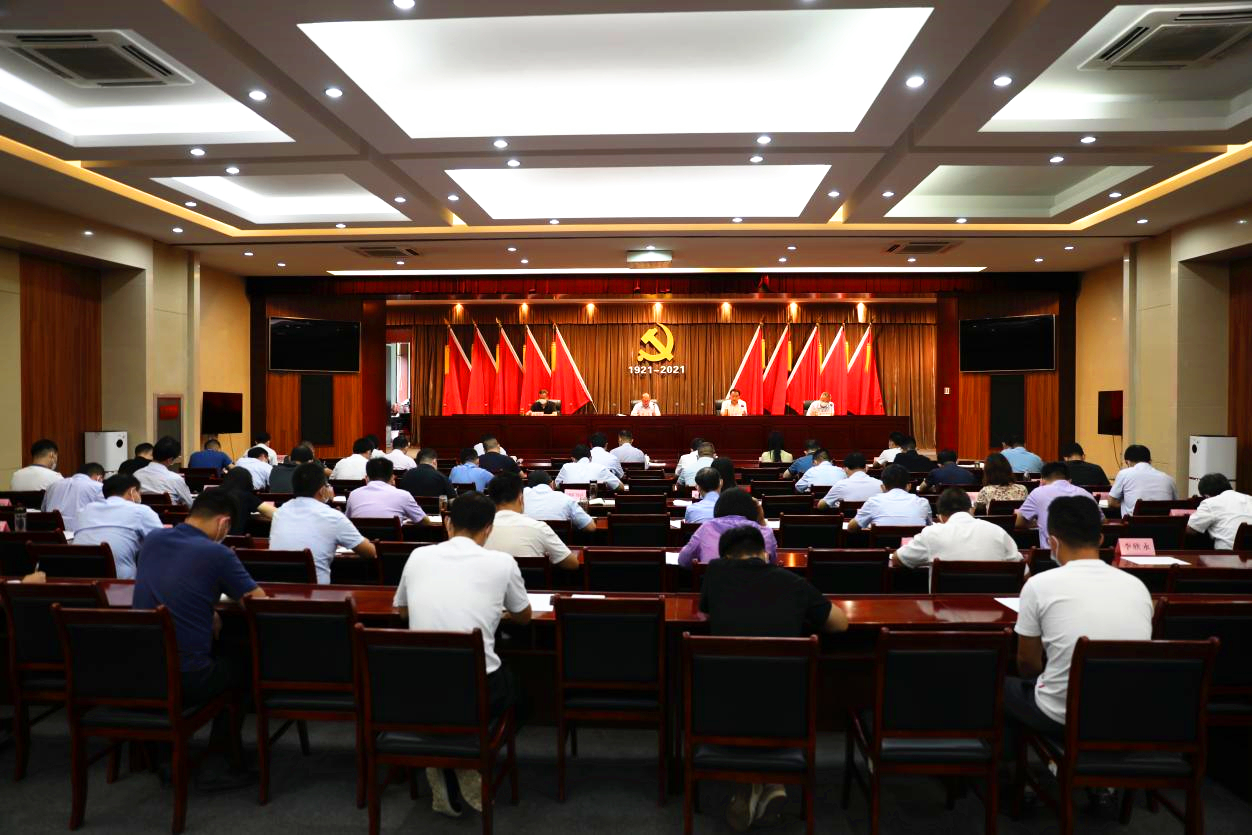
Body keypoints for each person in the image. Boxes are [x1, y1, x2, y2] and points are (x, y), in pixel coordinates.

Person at [698, 525, 849, 831]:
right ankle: (769, 782)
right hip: (786, 713)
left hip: (722, 711)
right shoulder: (793, 583)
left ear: (725, 557)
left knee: (745, 687)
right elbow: (840, 624)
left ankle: (751, 784)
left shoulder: (714, 573)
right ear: (766, 554)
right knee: (770, 690)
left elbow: (706, 609)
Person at [392, 491, 531, 818]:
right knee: (522, 696)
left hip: (416, 691)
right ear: (489, 529)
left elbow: (402, 611)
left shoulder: (418, 556)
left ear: (448, 523)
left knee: (445, 690)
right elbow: (524, 617)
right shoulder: (502, 562)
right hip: (476, 691)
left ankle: (443, 761)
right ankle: (466, 759)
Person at [1006, 497, 1153, 740]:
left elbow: (1027, 663)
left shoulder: (1039, 585)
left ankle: (1013, 760)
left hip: (1062, 714)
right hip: (1126, 712)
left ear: (1053, 542)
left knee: (998, 687)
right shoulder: (1138, 586)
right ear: (1101, 539)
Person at [133, 490, 266, 753]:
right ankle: (224, 754)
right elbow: (259, 604)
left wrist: (208, 609)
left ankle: (157, 751)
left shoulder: (153, 540)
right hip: (187, 677)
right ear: (224, 523)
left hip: (141, 670)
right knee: (246, 664)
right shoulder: (217, 553)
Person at [269, 462, 376, 584]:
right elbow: (370, 552)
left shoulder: (280, 513)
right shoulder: (333, 517)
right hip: (316, 592)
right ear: (322, 490)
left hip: (278, 590)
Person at [894, 489, 1021, 569]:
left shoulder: (931, 533)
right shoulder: (997, 531)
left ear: (941, 516)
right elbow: (1022, 570)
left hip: (944, 604)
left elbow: (898, 559)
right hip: (994, 604)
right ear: (971, 510)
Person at [73, 474, 163, 579]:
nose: (140, 496)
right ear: (132, 491)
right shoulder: (141, 511)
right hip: (121, 582)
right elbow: (163, 543)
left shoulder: (85, 510)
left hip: (79, 579)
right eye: (139, 493)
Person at [484, 471, 578, 570]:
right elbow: (572, 563)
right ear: (521, 498)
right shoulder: (539, 528)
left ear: (491, 500)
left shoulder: (479, 530)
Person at [678, 488, 777, 568]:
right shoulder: (764, 532)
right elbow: (772, 563)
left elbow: (683, 560)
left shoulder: (707, 528)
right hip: (755, 586)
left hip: (715, 585)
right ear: (752, 510)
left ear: (718, 507)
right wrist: (761, 521)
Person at [1016, 462, 1096, 548]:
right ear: (1069, 480)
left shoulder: (1038, 492)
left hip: (1051, 554)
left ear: (1042, 480)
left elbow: (1017, 522)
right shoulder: (1086, 494)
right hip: (1085, 553)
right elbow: (1101, 521)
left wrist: (1037, 522)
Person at [847, 465, 932, 532]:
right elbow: (929, 528)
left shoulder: (873, 502)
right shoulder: (923, 503)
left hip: (881, 548)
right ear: (909, 486)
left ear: (883, 487)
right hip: (913, 548)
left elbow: (851, 528)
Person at [345, 458, 427, 524]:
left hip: (362, 539)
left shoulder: (353, 495)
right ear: (392, 478)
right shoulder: (403, 495)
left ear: (366, 478)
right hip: (392, 540)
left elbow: (347, 520)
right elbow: (424, 521)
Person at [1187, 473, 1252, 550]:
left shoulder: (1210, 502)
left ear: (1206, 496)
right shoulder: (1249, 498)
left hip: (1227, 553)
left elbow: (1191, 529)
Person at [1108, 444, 1177, 517]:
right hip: (1165, 523)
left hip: (1136, 523)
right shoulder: (1169, 479)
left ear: (1127, 462)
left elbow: (1111, 502)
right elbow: (1175, 505)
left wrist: (1128, 505)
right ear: (1150, 461)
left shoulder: (1124, 474)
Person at [522, 471, 596, 533]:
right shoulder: (565, 498)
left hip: (526, 544)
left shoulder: (520, 497)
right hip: (560, 545)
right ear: (552, 484)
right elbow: (591, 527)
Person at [41, 463, 104, 530]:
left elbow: (43, 511)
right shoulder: (98, 487)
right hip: (81, 533)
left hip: (51, 533)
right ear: (99, 478)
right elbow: (104, 514)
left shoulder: (52, 486)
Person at [136, 436, 194, 506]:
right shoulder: (175, 479)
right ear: (170, 460)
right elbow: (190, 505)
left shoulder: (136, 475)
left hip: (142, 513)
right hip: (169, 513)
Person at [218, 467, 276, 536]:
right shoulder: (246, 496)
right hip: (233, 541)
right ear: (248, 482)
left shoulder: (209, 493)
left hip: (209, 540)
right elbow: (276, 513)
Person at [818, 453, 884, 510]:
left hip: (847, 520)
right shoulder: (880, 484)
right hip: (873, 520)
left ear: (846, 469)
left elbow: (821, 505)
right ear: (866, 468)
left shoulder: (841, 485)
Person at [554, 444, 624, 491]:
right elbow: (621, 487)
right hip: (596, 507)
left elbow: (555, 486)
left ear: (573, 459)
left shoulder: (566, 467)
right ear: (590, 458)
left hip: (570, 507)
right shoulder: (600, 468)